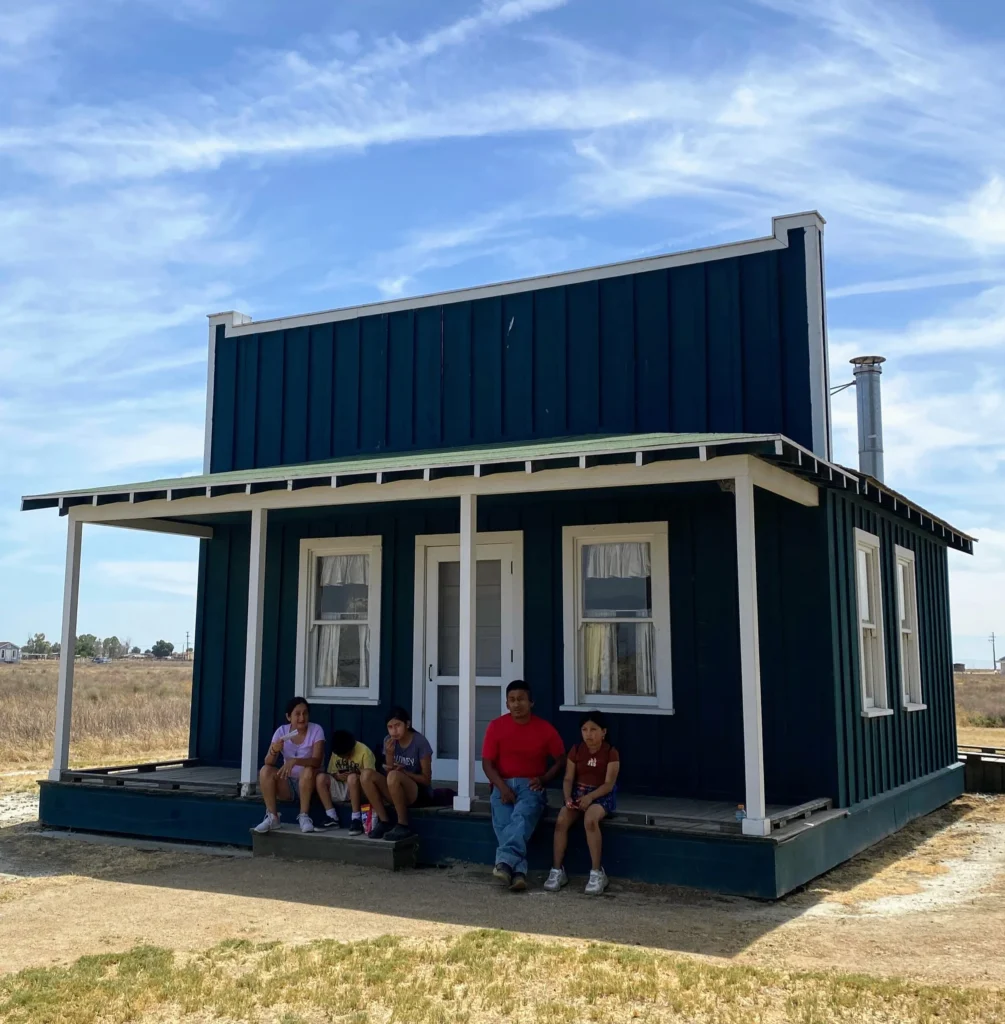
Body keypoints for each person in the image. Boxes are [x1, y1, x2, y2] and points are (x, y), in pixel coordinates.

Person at [481, 680, 565, 891]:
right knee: (504, 825)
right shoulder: (496, 726)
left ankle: (504, 864)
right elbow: (487, 763)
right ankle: (518, 873)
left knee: (521, 819)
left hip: (531, 785)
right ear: (507, 704)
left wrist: (544, 779)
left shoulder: (544, 729)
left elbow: (561, 760)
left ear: (531, 702)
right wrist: (502, 787)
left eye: (521, 699)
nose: (517, 704)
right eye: (512, 700)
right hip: (502, 784)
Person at [544, 709, 620, 895]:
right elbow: (569, 778)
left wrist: (591, 798)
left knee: (590, 820)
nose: (589, 734)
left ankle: (596, 872)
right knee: (562, 820)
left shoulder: (611, 752)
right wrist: (568, 797)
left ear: (603, 732)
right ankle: (557, 870)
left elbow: (609, 784)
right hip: (579, 793)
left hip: (600, 796)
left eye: (593, 729)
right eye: (584, 729)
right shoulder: (576, 750)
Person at [359, 705, 432, 841]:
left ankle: (403, 824)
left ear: (407, 724)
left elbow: (426, 779)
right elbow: (389, 773)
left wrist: (404, 772)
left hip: (417, 792)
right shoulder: (388, 741)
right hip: (395, 789)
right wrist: (390, 754)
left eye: (397, 725)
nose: (394, 731)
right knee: (365, 775)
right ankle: (384, 821)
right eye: (390, 727)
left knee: (393, 776)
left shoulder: (420, 742)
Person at [254, 697, 325, 834]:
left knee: (308, 770)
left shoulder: (316, 730)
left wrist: (295, 761)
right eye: (297, 714)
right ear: (288, 716)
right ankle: (272, 817)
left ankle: (304, 816)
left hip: (310, 784)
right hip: (288, 785)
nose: (302, 717)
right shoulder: (282, 731)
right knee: (265, 771)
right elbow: (268, 762)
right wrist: (274, 750)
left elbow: (317, 761)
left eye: (305, 713)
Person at [315, 729, 376, 835]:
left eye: (348, 755)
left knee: (352, 778)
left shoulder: (364, 751)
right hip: (342, 788)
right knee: (320, 778)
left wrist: (356, 773)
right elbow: (331, 772)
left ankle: (356, 819)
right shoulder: (336, 751)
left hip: (359, 790)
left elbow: (371, 778)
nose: (346, 758)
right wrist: (337, 776)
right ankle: (332, 817)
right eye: (342, 756)